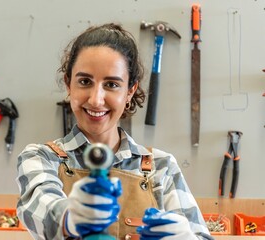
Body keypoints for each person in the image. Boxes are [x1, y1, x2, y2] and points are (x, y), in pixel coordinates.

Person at [16, 23, 212, 240]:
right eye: (84, 81)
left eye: (111, 84)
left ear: (130, 91)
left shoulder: (161, 166)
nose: (96, 99)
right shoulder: (41, 157)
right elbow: (39, 207)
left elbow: (200, 235)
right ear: (68, 84)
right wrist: (70, 217)